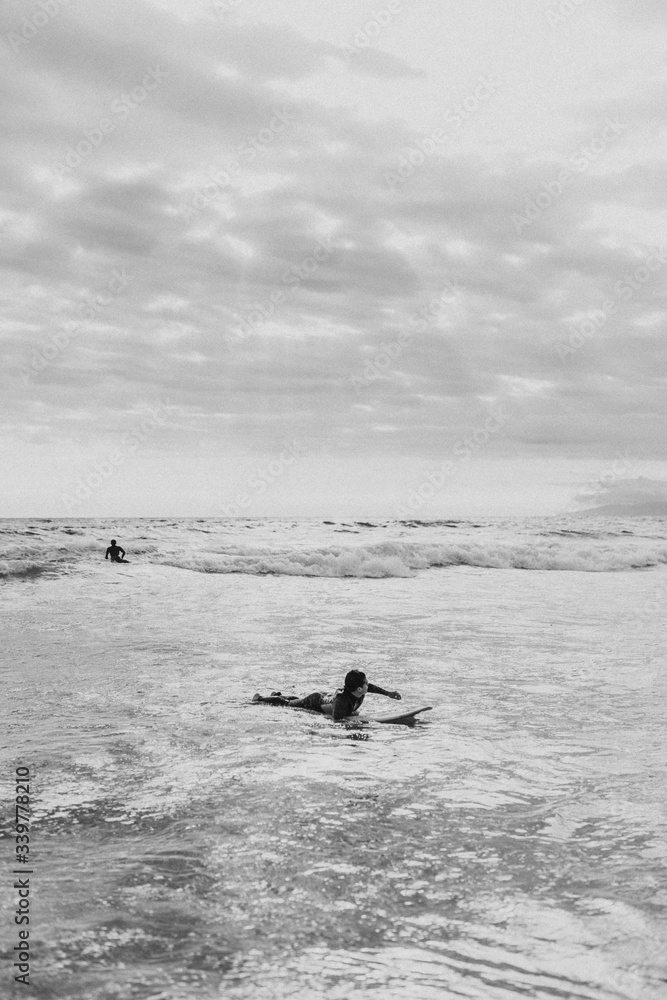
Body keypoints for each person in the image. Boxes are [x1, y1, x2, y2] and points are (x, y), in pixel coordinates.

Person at [253, 669, 401, 722]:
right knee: (288, 705)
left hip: (325, 696)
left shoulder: (360, 689)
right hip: (316, 701)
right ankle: (260, 699)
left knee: (297, 700)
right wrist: (356, 722)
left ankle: (277, 694)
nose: (368, 686)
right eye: (366, 684)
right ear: (359, 689)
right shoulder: (342, 702)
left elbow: (372, 688)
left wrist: (389, 694)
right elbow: (336, 720)